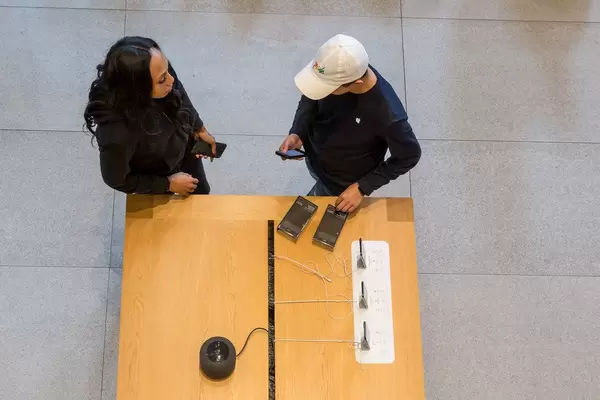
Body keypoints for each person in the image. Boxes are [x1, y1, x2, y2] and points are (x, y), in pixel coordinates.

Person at [280, 34, 421, 213]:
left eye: (326, 89)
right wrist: (298, 131)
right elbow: (310, 97)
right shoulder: (337, 67)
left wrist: (363, 186)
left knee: (323, 206)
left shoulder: (389, 115)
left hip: (343, 181)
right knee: (318, 183)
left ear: (356, 83)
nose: (320, 92)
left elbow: (409, 156)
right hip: (315, 157)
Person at [84, 36, 216, 195]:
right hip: (156, 173)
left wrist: (199, 128)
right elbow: (116, 179)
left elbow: (180, 93)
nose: (172, 80)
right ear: (137, 89)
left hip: (183, 145)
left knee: (202, 193)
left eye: (168, 70)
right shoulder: (116, 133)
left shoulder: (158, 68)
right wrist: (167, 184)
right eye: (162, 80)